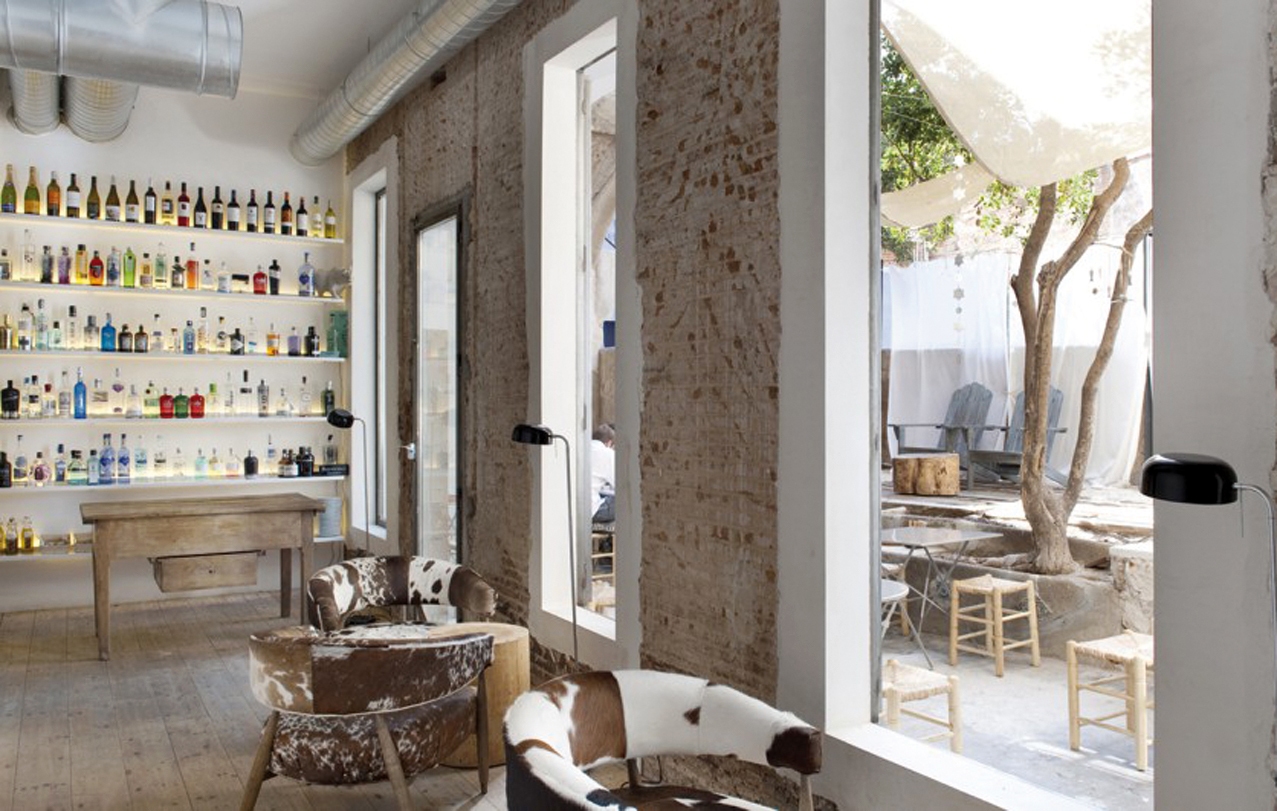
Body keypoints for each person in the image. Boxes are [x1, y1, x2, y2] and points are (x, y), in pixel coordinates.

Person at [590, 423, 615, 524]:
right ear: (609, 443)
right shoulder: (607, 453)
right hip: (593, 511)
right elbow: (620, 485)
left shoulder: (582, 447)